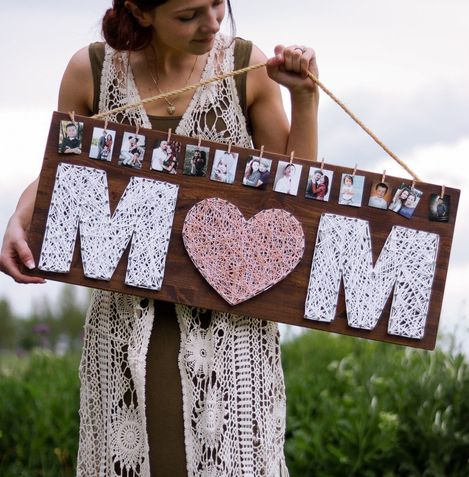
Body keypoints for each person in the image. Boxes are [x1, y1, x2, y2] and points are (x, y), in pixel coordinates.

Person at [0, 1, 319, 475]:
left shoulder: (247, 70)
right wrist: (19, 217)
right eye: (189, 15)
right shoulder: (90, 72)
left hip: (232, 345)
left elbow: (296, 201)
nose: (211, 24)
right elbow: (62, 165)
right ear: (141, 11)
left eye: (216, 4)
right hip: (125, 336)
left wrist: (306, 99)